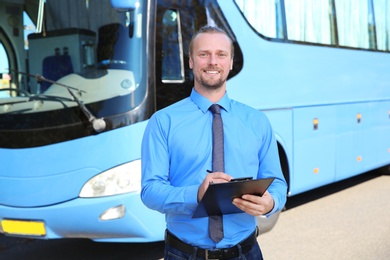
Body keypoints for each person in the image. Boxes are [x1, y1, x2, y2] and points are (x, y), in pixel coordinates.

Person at [141, 25, 287, 260]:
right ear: (191, 61)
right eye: (203, 54)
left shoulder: (257, 121)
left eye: (221, 54)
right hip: (184, 253)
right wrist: (196, 195)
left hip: (246, 252)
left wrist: (271, 203)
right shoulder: (162, 122)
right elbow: (150, 191)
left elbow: (277, 182)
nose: (212, 61)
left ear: (230, 62)